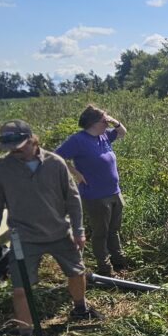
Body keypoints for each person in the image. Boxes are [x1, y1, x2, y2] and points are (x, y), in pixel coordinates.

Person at [0, 119, 100, 336]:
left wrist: (78, 230)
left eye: (20, 145)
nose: (16, 151)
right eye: (11, 147)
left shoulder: (55, 163)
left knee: (76, 272)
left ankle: (79, 307)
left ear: (32, 139)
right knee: (20, 289)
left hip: (59, 232)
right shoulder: (0, 169)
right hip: (23, 237)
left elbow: (73, 199)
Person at [54, 104, 131, 276]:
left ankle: (119, 262)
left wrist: (115, 122)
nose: (108, 122)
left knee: (114, 230)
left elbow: (123, 133)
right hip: (96, 196)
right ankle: (105, 269)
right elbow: (56, 157)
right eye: (105, 119)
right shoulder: (78, 140)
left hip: (114, 192)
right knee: (100, 233)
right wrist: (75, 173)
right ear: (94, 122)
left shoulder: (104, 135)